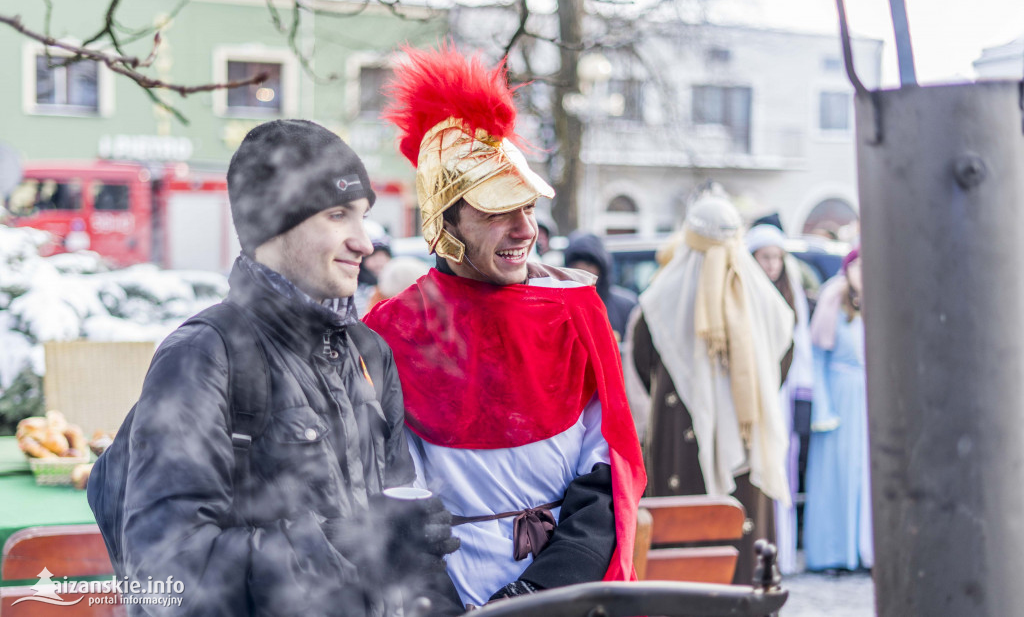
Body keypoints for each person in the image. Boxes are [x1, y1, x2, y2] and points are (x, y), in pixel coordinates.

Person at [112, 120, 462, 616]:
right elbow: (163, 574)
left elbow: (403, 538)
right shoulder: (202, 356)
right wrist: (345, 544)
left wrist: (416, 554)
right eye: (338, 215)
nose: (364, 241)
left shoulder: (369, 353)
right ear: (274, 223)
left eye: (362, 216)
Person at [363, 44, 646, 609]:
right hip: (452, 596)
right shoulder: (388, 334)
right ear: (445, 221)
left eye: (528, 208)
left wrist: (538, 595)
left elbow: (604, 481)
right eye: (496, 211)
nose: (523, 230)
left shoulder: (574, 311)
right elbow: (390, 498)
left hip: (566, 592)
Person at [629, 193, 794, 583]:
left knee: (684, 566)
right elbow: (783, 361)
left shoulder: (658, 300)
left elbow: (640, 366)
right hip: (746, 445)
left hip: (678, 448)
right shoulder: (765, 301)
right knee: (741, 556)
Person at [745, 223, 814, 575]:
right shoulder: (743, 293)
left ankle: (782, 552)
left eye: (777, 257)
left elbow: (801, 351)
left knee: (784, 467)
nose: (772, 264)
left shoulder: (790, 297)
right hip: (754, 392)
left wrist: (804, 396)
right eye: (765, 257)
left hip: (784, 395)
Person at [802, 246, 873, 573]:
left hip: (868, 398)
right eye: (856, 265)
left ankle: (865, 551)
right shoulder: (833, 299)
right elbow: (818, 357)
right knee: (837, 473)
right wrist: (824, 407)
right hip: (840, 395)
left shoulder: (880, 301)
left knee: (866, 474)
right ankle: (834, 552)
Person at [563, 230, 638, 342]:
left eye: (589, 264)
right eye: (576, 265)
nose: (583, 271)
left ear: (602, 267)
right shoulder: (561, 308)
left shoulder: (626, 306)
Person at [353, 220, 392, 316]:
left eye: (384, 255)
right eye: (373, 256)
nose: (379, 261)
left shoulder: (392, 286)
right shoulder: (354, 290)